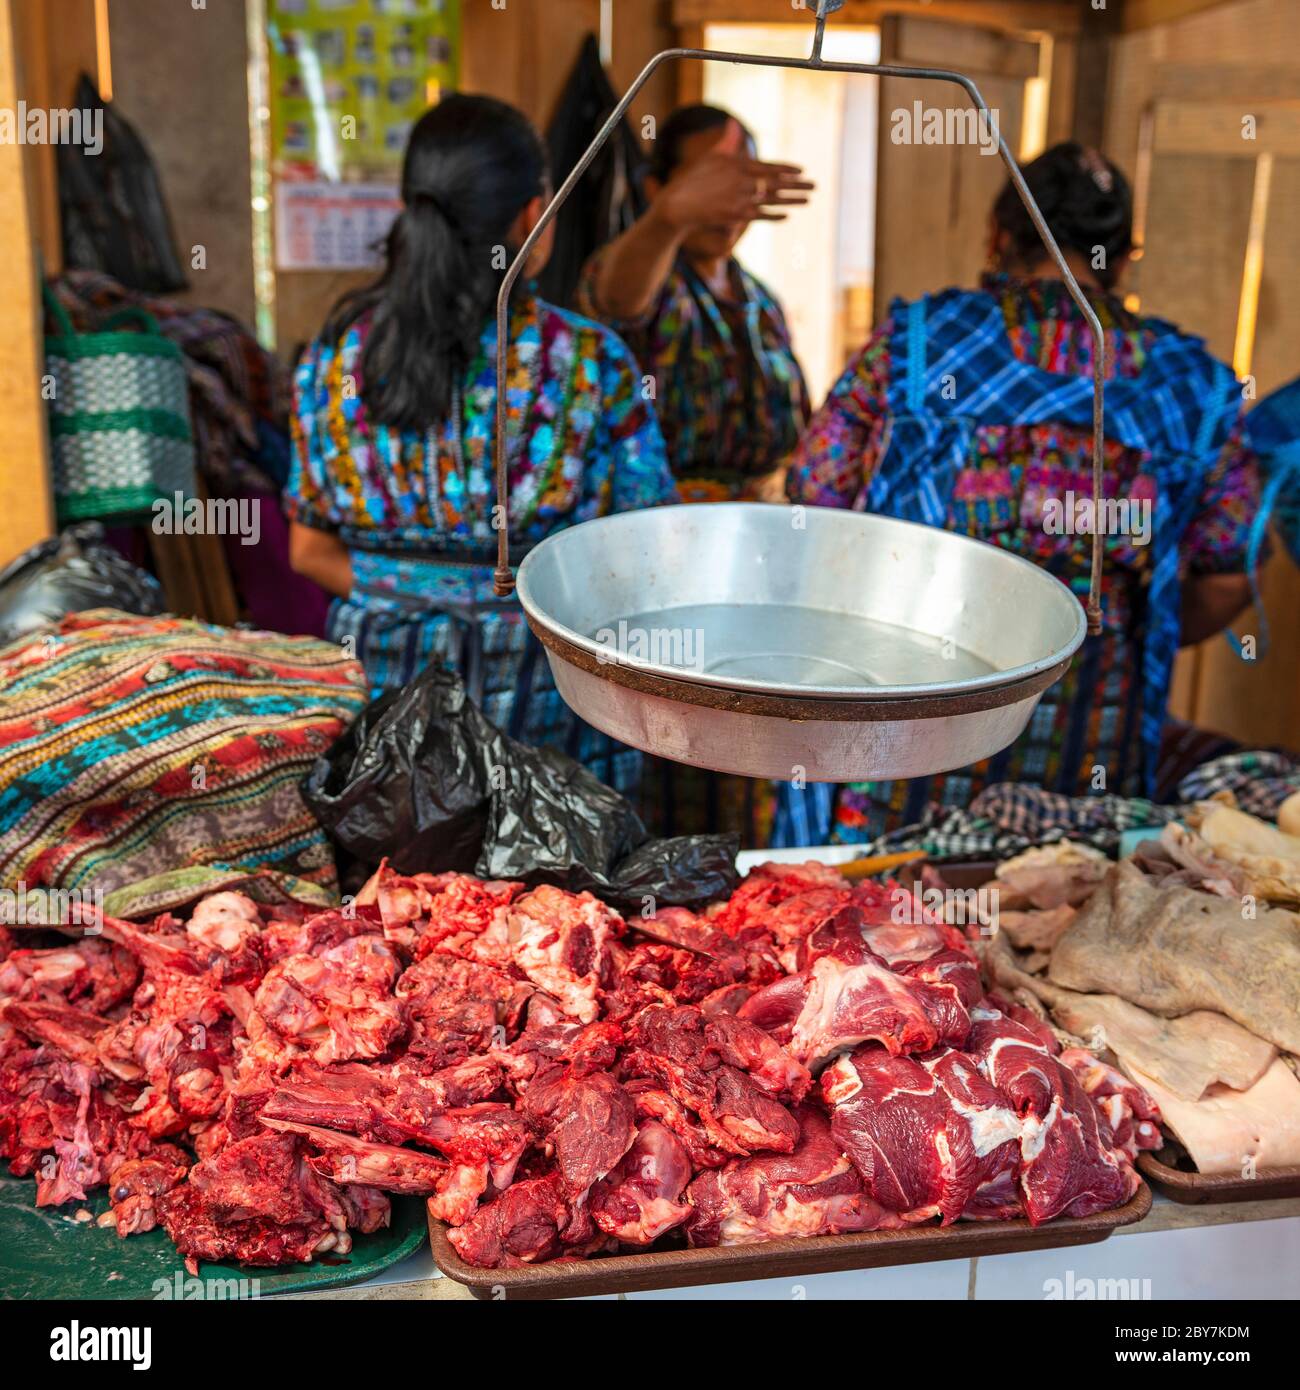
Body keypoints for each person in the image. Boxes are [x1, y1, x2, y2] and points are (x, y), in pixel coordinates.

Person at [784, 142, 1262, 845]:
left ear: (998, 237)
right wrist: (1098, 630)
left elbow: (814, 502)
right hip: (1090, 731)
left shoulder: (916, 347)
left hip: (914, 712)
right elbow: (1229, 572)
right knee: (1061, 908)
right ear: (1124, 255)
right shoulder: (1196, 385)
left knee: (889, 911)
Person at [286, 94, 675, 796]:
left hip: (385, 745)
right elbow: (649, 558)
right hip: (546, 732)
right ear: (534, 215)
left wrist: (412, 593)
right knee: (557, 907)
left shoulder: (331, 362)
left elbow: (307, 552)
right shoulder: (588, 363)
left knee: (392, 903)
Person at [576, 104, 813, 502]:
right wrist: (669, 217)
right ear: (656, 189)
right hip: (661, 533)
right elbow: (615, 299)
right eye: (708, 185)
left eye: (738, 184)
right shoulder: (650, 277)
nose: (723, 205)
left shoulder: (761, 301)